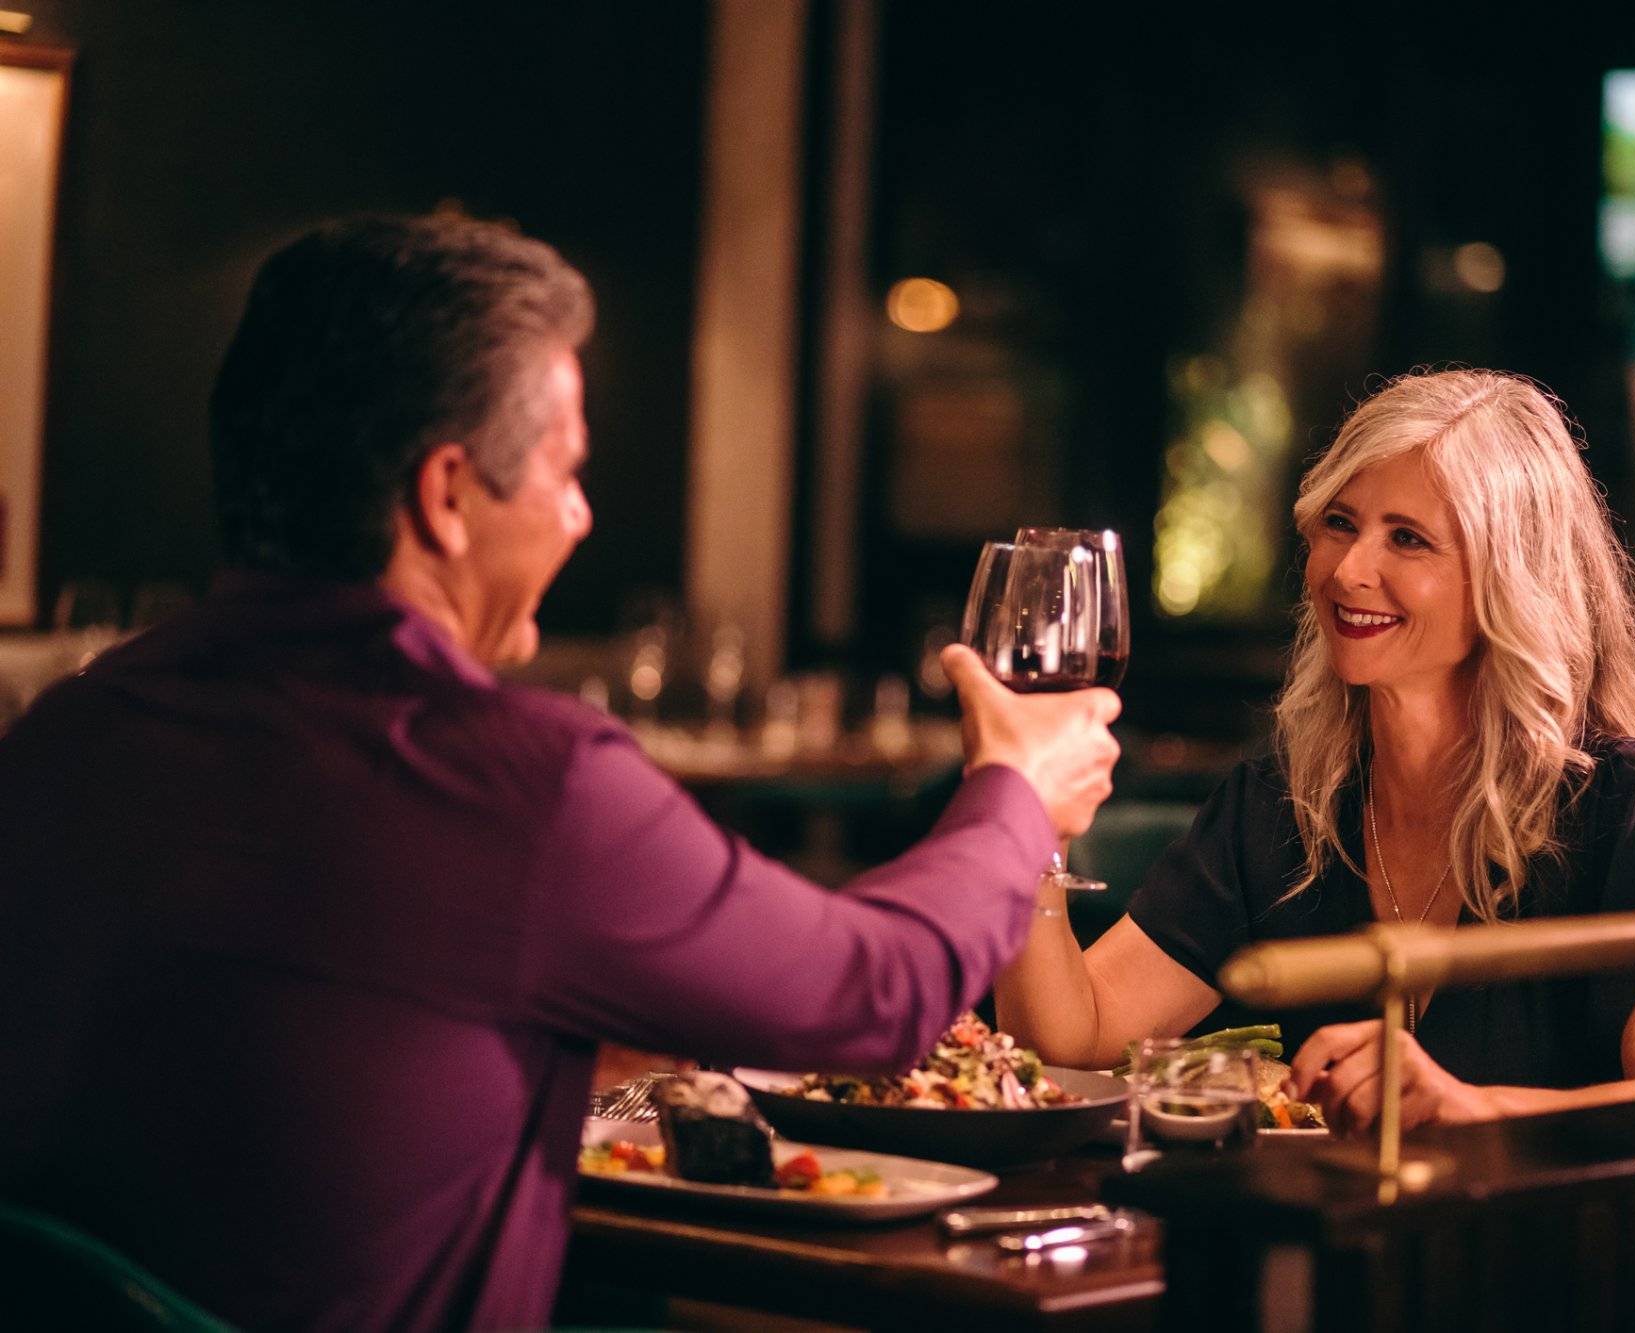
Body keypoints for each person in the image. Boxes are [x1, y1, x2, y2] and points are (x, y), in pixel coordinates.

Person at [0, 214, 1120, 1331]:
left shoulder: (69, 733)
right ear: (445, 496)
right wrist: (1013, 796)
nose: (581, 517)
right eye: (566, 472)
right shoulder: (514, 781)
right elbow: (874, 997)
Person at [996, 368, 1635, 1134]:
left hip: (1547, 1243)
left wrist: (1467, 1107)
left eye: (1408, 539)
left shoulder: (1620, 803)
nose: (1349, 571)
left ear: (1512, 578)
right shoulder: (1282, 803)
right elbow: (1069, 1037)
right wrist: (1025, 811)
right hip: (1325, 1242)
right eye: (1341, 524)